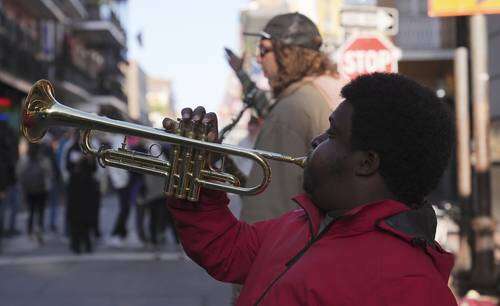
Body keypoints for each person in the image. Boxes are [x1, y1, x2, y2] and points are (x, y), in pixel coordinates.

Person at [162, 73, 457, 305]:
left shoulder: (411, 284)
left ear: (366, 163)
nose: (315, 141)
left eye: (331, 134)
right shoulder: (305, 223)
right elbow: (226, 249)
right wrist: (195, 176)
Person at [240, 12, 344, 224]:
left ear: (287, 53)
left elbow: (270, 209)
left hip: (287, 249)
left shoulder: (292, 109)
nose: (259, 59)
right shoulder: (323, 92)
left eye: (263, 50)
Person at [65, 134, 100, 254]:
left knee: (86, 216)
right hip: (75, 188)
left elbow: (94, 169)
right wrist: (78, 162)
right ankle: (76, 244)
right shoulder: (71, 149)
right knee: (75, 218)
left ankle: (87, 242)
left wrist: (90, 160)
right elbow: (68, 167)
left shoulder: (90, 150)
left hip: (87, 189)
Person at [18, 143, 53, 242]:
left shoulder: (25, 159)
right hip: (41, 190)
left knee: (31, 211)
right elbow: (49, 173)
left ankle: (30, 231)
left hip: (29, 190)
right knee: (40, 212)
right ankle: (39, 229)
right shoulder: (43, 159)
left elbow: (19, 173)